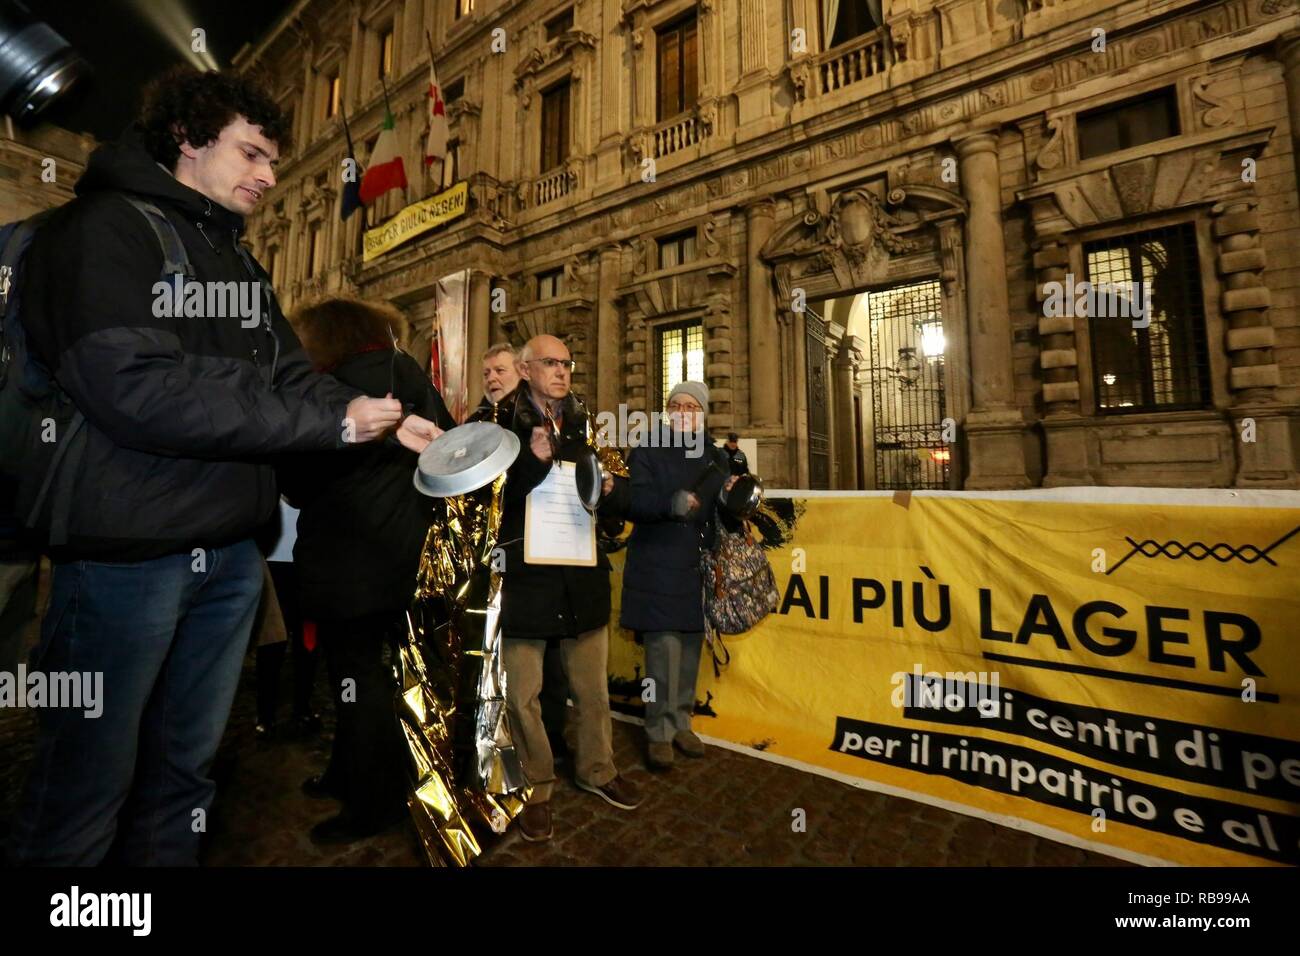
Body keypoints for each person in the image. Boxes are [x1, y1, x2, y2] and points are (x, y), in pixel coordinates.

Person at [6, 68, 438, 867]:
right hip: (124, 558)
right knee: (87, 787)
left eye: (274, 160)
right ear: (189, 139)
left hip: (232, 558)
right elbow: (132, 390)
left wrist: (376, 423)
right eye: (251, 154)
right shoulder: (99, 231)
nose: (270, 178)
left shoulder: (237, 262)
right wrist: (321, 416)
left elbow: (290, 380)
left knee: (185, 777)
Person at [280, 296, 456, 845]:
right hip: (402, 556)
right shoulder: (409, 373)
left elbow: (298, 483)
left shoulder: (323, 388)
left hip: (345, 556)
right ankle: (347, 771)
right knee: (368, 675)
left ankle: (373, 800)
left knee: (355, 677)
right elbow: (448, 446)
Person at [496, 334, 642, 842]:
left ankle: (598, 770)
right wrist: (530, 463)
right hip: (526, 581)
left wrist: (611, 489)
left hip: (581, 577)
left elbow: (624, 491)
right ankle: (536, 787)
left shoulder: (589, 426)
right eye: (550, 363)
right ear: (524, 368)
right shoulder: (497, 425)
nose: (562, 371)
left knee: (592, 689)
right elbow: (483, 505)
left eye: (567, 363)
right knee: (524, 694)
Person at [468, 342, 573, 765]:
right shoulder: (479, 422)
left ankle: (552, 742)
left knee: (551, 663)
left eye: (501, 371)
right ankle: (506, 746)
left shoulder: (545, 418)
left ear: (522, 374)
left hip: (548, 559)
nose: (492, 378)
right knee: (504, 662)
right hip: (499, 562)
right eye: (486, 372)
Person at [621, 382, 734, 770]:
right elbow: (633, 501)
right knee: (661, 651)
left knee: (689, 648)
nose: (683, 411)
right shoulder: (648, 449)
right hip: (656, 561)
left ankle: (681, 722)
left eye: (691, 406)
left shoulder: (716, 457)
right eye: (676, 405)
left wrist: (733, 495)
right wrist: (670, 504)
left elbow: (723, 513)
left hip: (695, 566)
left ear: (703, 414)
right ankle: (657, 731)